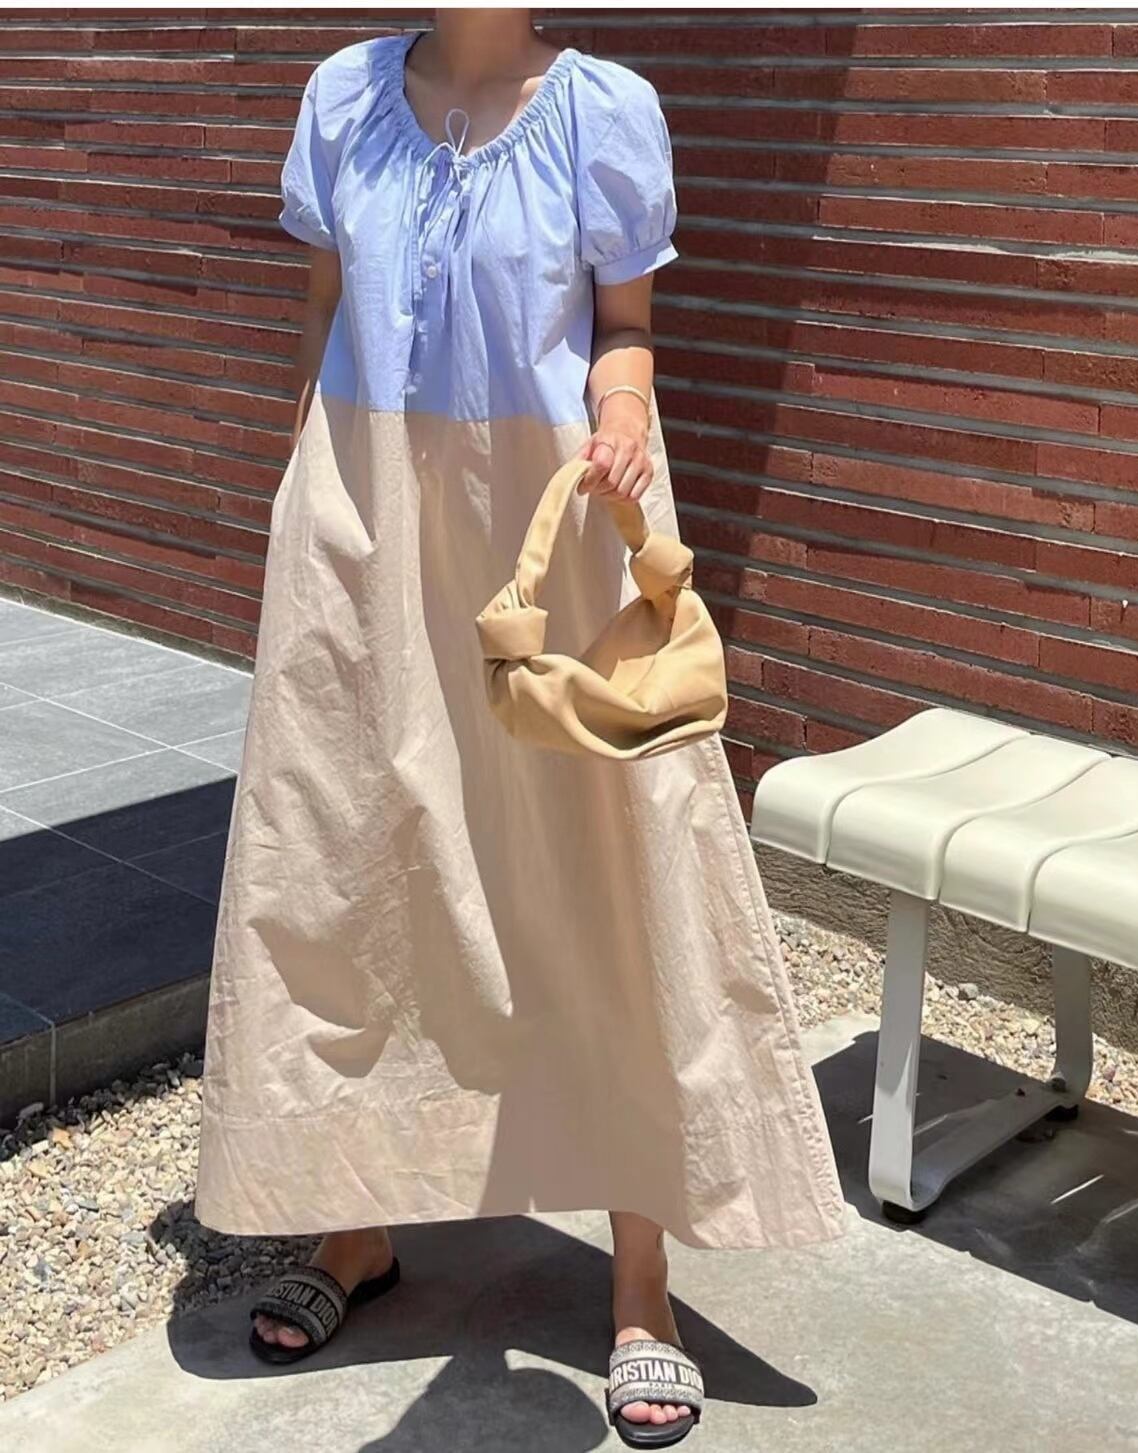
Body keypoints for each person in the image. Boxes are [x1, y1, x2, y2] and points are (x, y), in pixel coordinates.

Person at [193, 10, 844, 1446]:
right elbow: (325, 310)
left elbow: (626, 327)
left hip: (555, 524)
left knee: (602, 869)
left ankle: (639, 1281)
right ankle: (356, 1222)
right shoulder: (340, 95)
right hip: (367, 519)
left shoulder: (603, 109)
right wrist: (307, 497)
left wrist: (623, 413)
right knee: (351, 855)